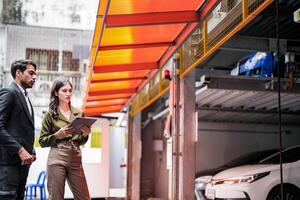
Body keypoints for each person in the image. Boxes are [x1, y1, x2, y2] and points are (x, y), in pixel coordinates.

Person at [39, 78, 91, 200]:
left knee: (84, 197)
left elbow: (81, 141)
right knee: (56, 197)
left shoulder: (79, 113)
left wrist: (85, 134)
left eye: (70, 90)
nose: (68, 94)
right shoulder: (50, 115)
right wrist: (58, 135)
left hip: (76, 157)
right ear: (56, 93)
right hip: (57, 156)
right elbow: (42, 141)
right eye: (64, 91)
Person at [0, 59, 37, 200]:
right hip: (8, 165)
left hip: (22, 166)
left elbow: (22, 130)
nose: (34, 77)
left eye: (35, 74)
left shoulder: (25, 97)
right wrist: (20, 150)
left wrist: (31, 151)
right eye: (31, 73)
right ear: (18, 73)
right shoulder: (9, 93)